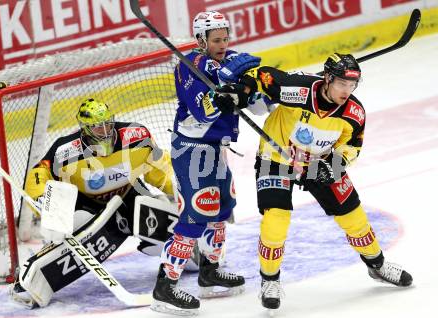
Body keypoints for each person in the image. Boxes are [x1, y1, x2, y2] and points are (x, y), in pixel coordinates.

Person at [231, 53, 413, 310]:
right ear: (327, 78)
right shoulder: (297, 90)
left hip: (320, 163)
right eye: (341, 83)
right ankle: (269, 281)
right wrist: (242, 90)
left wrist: (335, 165)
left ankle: (377, 265)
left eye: (352, 85)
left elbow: (352, 146)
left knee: (354, 218)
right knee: (276, 222)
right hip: (276, 158)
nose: (346, 91)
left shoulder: (353, 112)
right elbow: (261, 76)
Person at [11, 98, 184, 308]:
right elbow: (39, 173)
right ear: (85, 129)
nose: (105, 130)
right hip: (88, 205)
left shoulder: (137, 136)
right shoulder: (65, 151)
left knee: (153, 207)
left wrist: (182, 195)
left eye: (107, 124)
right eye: (97, 127)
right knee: (79, 224)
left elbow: (161, 169)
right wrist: (42, 203)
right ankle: (29, 280)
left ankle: (191, 253)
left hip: (129, 196)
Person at [150, 10, 265, 315]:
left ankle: (209, 271)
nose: (223, 44)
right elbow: (204, 112)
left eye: (226, 38)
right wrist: (226, 85)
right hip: (192, 148)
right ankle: (165, 286)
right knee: (198, 212)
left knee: (223, 208)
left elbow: (259, 106)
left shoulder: (232, 60)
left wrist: (249, 90)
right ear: (201, 39)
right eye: (216, 39)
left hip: (217, 147)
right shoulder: (188, 66)